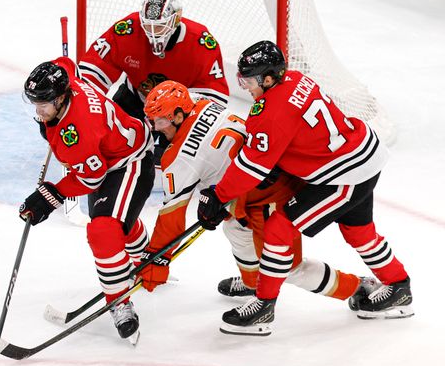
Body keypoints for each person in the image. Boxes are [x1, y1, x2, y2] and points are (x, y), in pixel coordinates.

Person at [197, 40, 412, 336]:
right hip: (364, 153)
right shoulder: (298, 79)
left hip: (344, 174)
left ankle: (263, 307)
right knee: (359, 232)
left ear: (269, 78)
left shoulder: (270, 112)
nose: (245, 86)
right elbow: (297, 133)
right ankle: (399, 286)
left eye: (249, 80)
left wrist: (218, 197)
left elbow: (251, 167)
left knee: (278, 227)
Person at [136, 80, 376, 335]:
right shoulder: (205, 104)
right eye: (153, 121)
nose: (157, 129)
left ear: (179, 114)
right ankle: (253, 284)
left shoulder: (179, 159)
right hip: (263, 181)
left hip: (271, 198)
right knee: (235, 228)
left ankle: (358, 287)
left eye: (161, 121)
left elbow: (171, 217)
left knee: (288, 267)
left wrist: (157, 260)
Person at [19, 57, 154, 342]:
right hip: (107, 155)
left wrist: (49, 196)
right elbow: (66, 63)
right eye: (35, 102)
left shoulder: (78, 131)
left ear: (61, 98)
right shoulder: (65, 81)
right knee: (117, 221)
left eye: (43, 104)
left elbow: (91, 178)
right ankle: (147, 257)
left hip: (131, 160)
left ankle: (119, 301)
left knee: (104, 230)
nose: (38, 110)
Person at [78, 0, 229, 122]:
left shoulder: (202, 43)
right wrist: (82, 101)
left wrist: (184, 119)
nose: (152, 31)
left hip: (174, 114)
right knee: (108, 134)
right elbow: (95, 67)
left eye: (159, 26)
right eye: (148, 25)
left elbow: (213, 97)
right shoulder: (127, 29)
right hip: (134, 97)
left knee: (163, 154)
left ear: (176, 19)